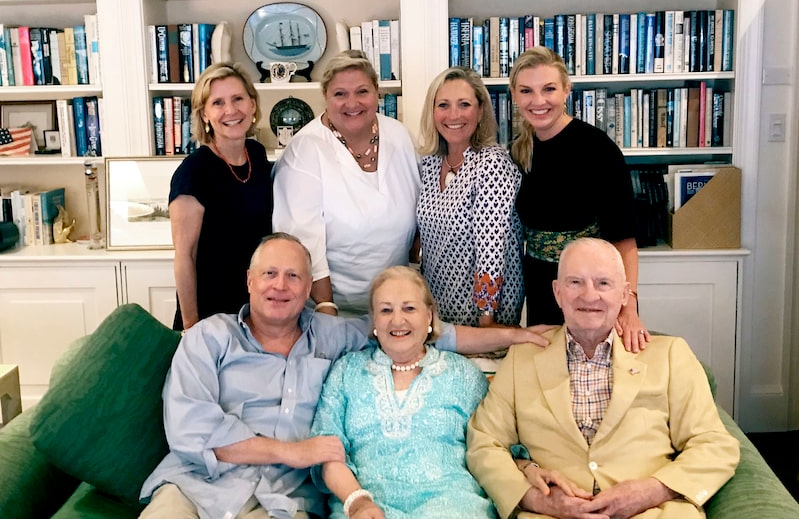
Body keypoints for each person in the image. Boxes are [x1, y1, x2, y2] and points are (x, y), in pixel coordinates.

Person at [139, 233, 550, 519]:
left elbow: (414, 333)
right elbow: (190, 428)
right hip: (194, 488)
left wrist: (517, 334)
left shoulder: (334, 336)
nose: (280, 286)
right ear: (249, 281)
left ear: (308, 291)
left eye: (294, 276)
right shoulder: (208, 338)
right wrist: (293, 452)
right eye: (269, 274)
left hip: (281, 501)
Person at [466, 238, 740, 519]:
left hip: (653, 512)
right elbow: (484, 442)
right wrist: (536, 499)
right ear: (557, 293)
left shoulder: (670, 355)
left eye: (603, 284)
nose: (589, 295)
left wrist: (653, 490)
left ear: (624, 295)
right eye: (575, 282)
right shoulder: (521, 360)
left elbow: (715, 445)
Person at [310, 266, 497, 519]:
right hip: (366, 508)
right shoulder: (346, 371)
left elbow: (497, 445)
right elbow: (326, 452)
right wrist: (357, 501)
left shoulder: (464, 375)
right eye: (386, 310)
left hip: (452, 506)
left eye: (409, 308)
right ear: (374, 320)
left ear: (429, 316)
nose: (397, 321)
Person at [510, 46, 647, 351]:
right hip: (542, 288)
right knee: (550, 378)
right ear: (515, 96)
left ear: (566, 90)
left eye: (549, 89)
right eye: (527, 91)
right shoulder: (518, 152)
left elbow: (624, 241)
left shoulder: (597, 150)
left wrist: (629, 307)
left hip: (592, 289)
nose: (538, 101)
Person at [272, 50, 419, 316]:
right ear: (326, 98)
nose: (352, 103)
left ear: (377, 92)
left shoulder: (399, 136)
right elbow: (303, 244)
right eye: (340, 94)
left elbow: (422, 214)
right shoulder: (304, 151)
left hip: (395, 305)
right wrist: (327, 312)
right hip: (332, 309)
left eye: (362, 91)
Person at [417, 67, 523, 327]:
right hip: (438, 304)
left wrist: (486, 319)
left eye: (464, 104)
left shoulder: (492, 164)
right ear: (432, 112)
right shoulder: (430, 162)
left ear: (481, 111)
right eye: (443, 105)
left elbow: (491, 248)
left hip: (483, 311)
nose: (453, 115)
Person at [169, 62, 272, 330]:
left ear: (252, 104)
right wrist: (192, 327)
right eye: (217, 103)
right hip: (210, 317)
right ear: (204, 114)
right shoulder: (193, 172)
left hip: (256, 308)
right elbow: (184, 256)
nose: (231, 110)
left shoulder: (257, 155)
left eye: (238, 98)